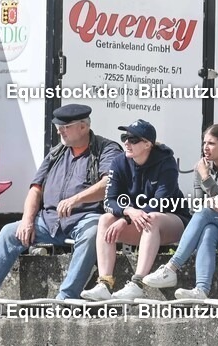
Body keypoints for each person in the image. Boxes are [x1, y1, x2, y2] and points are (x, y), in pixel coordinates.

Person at [0, 105, 123, 301]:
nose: (59, 131)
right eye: (58, 126)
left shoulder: (106, 148)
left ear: (83, 127)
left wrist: (76, 200)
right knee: (9, 232)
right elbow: (35, 189)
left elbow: (108, 183)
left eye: (65, 127)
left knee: (93, 232)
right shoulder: (57, 152)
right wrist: (27, 220)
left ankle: (65, 299)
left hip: (85, 217)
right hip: (49, 219)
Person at [81, 119, 191, 300]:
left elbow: (161, 202)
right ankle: (104, 284)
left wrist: (125, 220)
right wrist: (128, 211)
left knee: (152, 217)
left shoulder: (166, 162)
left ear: (147, 144)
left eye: (133, 139)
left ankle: (137, 284)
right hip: (137, 221)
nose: (126, 143)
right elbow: (109, 200)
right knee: (105, 219)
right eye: (124, 137)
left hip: (172, 222)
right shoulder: (119, 162)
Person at [142, 124, 218, 299]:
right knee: (208, 231)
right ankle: (201, 290)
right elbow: (196, 206)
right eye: (204, 143)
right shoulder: (201, 167)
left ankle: (171, 267)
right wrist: (208, 200)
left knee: (205, 213)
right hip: (216, 223)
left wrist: (206, 178)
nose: (206, 148)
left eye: (211, 143)